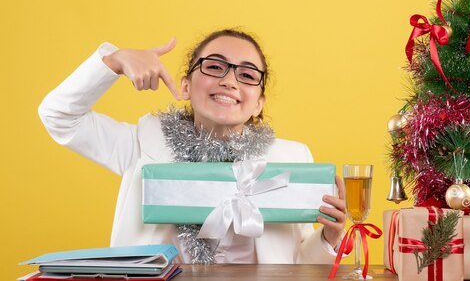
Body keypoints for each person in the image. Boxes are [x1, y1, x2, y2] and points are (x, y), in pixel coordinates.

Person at [38, 29, 347, 264]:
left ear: (258, 103)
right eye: (214, 67)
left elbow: (300, 266)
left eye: (247, 75)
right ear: (185, 85)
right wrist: (114, 61)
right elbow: (58, 116)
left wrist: (328, 238)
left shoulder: (293, 159)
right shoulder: (143, 145)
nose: (230, 81)